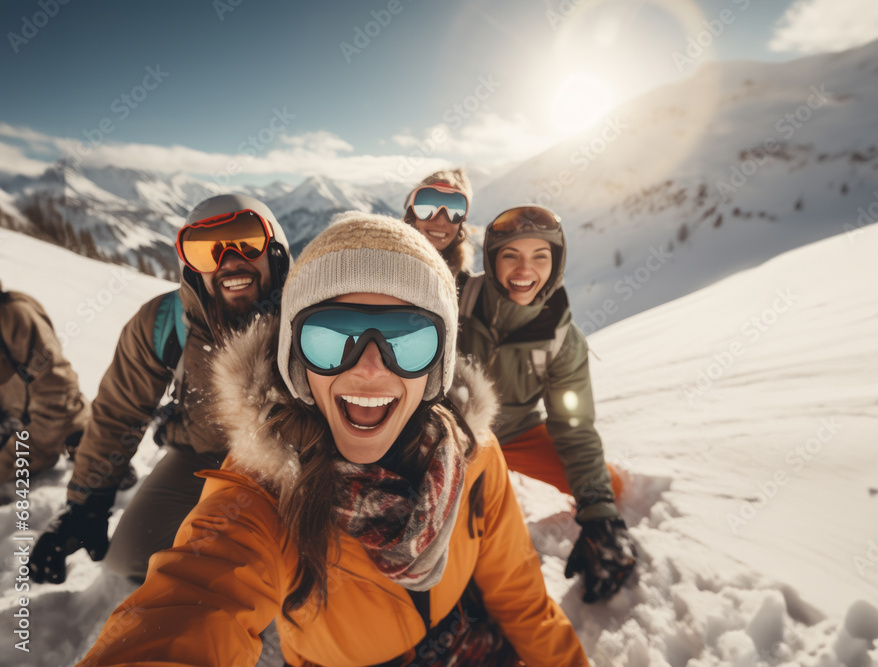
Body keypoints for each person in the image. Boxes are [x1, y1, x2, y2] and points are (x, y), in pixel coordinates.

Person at [76, 212, 589, 667]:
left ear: (440, 363)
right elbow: (197, 599)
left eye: (408, 339)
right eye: (331, 336)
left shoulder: (474, 455)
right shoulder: (262, 492)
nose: (369, 369)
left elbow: (521, 600)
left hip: (470, 640)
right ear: (296, 361)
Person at [29, 193, 292, 584]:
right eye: (206, 250)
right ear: (190, 267)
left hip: (297, 462)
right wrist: (88, 503)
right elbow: (120, 411)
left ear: (274, 250)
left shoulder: (308, 313)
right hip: (202, 458)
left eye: (246, 239)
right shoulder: (165, 323)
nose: (229, 259)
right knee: (131, 557)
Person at [456, 205, 637, 604]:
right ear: (491, 259)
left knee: (610, 488)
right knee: (467, 522)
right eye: (511, 256)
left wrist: (600, 515)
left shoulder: (562, 338)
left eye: (540, 256)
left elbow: (574, 426)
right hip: (456, 437)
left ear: (555, 264)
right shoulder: (455, 301)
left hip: (517, 433)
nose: (525, 270)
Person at [0, 280, 90, 482]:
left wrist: (9, 456)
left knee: (97, 457)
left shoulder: (15, 316)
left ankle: (88, 446)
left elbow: (58, 397)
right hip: (15, 419)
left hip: (49, 425)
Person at [402, 168, 474, 279]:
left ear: (461, 223)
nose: (440, 222)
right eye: (426, 208)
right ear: (411, 216)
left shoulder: (470, 288)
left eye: (455, 211)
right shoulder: (383, 267)